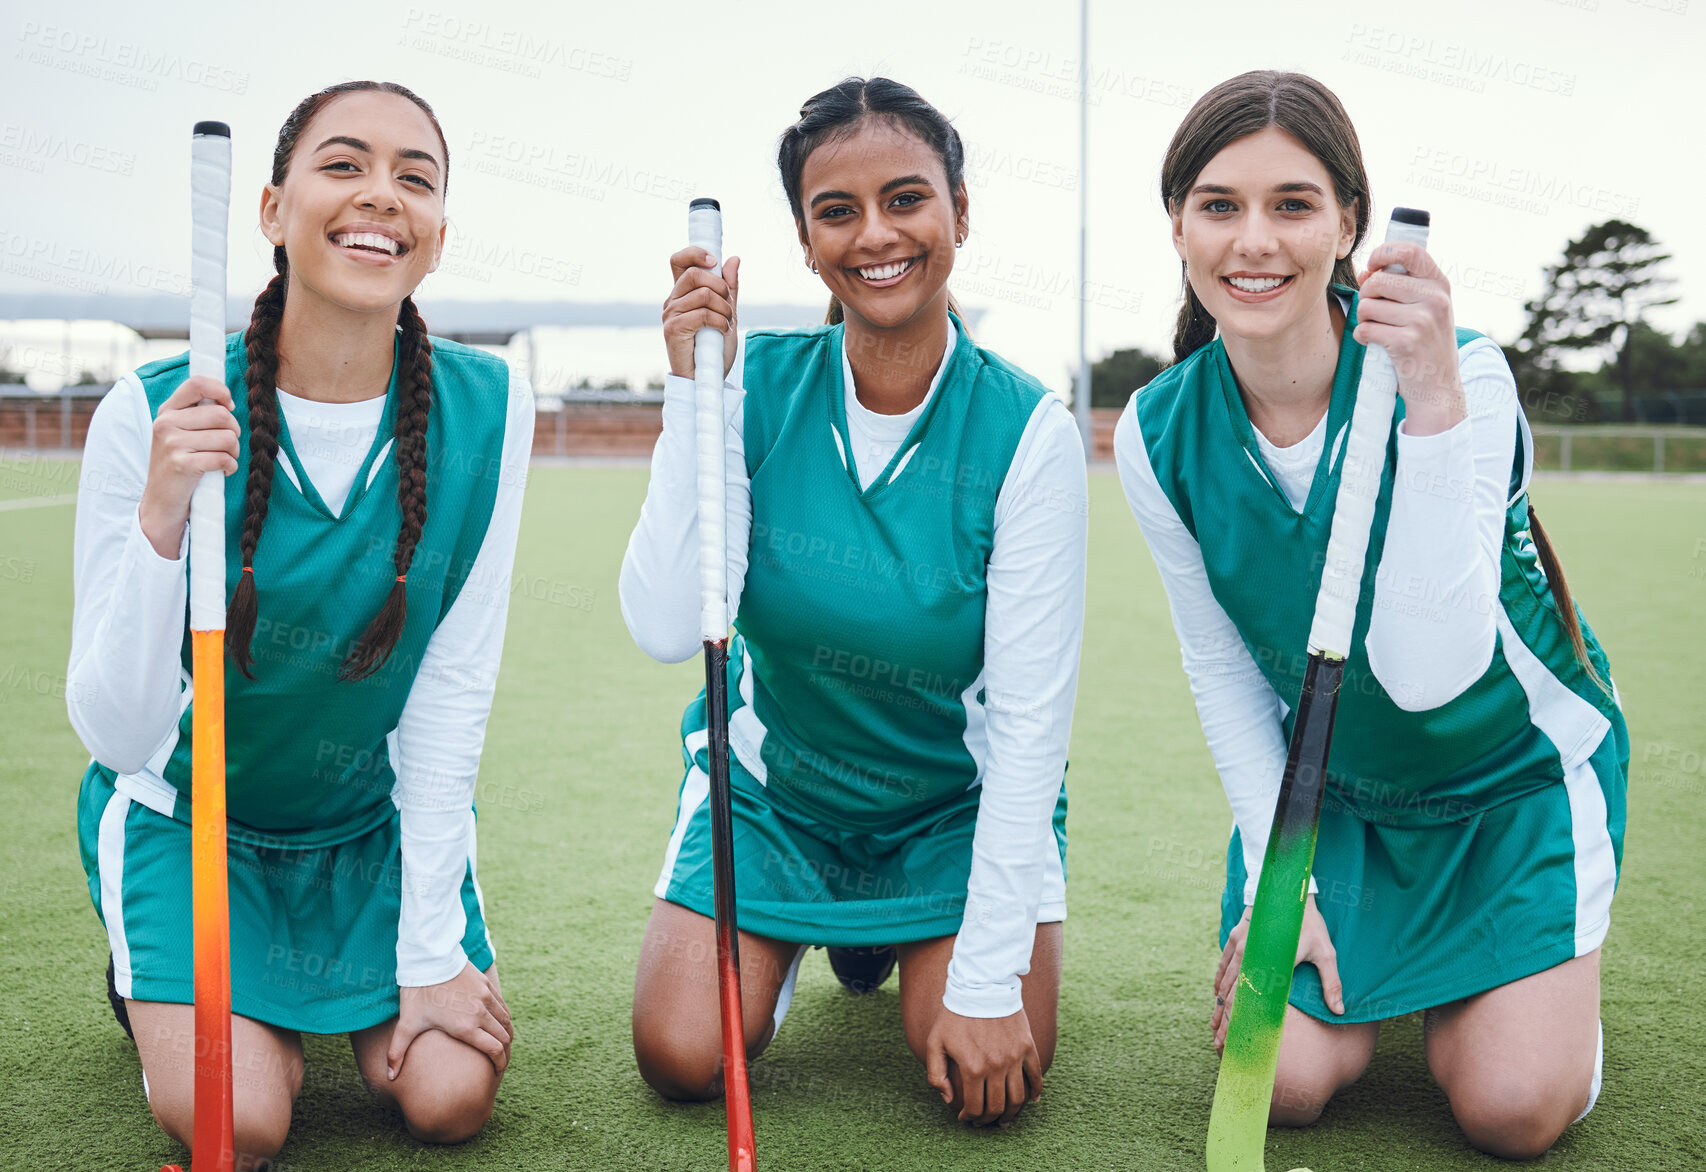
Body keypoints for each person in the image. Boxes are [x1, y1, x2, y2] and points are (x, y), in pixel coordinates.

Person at [1113, 70, 1626, 1159]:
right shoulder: (1155, 432)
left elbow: (1428, 669)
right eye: (1219, 204)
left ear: (1349, 220)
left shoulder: (1465, 377)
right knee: (1286, 1081)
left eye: (1291, 205)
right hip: (1338, 800)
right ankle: (1421, 974)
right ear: (1177, 225)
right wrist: (1278, 874)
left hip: (1505, 784)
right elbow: (1222, 674)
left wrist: (1431, 404)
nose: (1253, 240)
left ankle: (1539, 994)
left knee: (1508, 1107)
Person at [68, 80, 533, 1168]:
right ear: (272, 209)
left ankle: (322, 977)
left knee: (450, 1094)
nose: (380, 195)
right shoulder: (147, 409)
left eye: (414, 178)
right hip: (191, 824)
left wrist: (429, 945)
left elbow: (452, 684)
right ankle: (158, 982)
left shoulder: (488, 406)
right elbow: (118, 730)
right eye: (343, 164)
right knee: (242, 1124)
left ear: (437, 238)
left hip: (361, 829)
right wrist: (161, 514)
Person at [620, 76, 1087, 1127]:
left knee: (983, 1073)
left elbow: (1029, 725)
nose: (874, 233)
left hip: (947, 809)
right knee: (679, 1052)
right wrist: (694, 396)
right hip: (776, 798)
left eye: (906, 199)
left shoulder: (1027, 431)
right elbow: (662, 625)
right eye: (837, 210)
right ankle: (788, 942)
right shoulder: (749, 389)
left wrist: (981, 984)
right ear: (804, 237)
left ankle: (894, 937)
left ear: (958, 212)